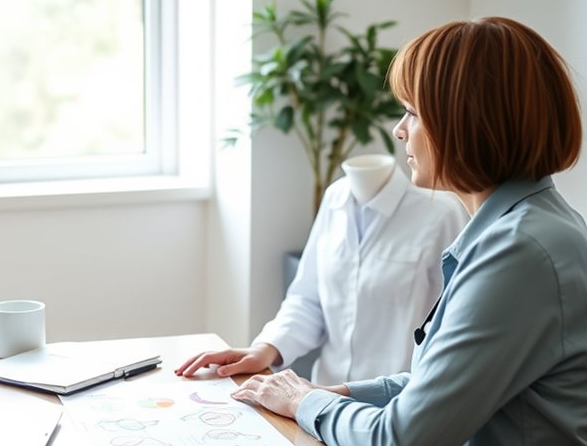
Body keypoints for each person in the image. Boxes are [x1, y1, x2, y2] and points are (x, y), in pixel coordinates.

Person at [228, 17, 587, 446]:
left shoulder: (520, 252)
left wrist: (306, 400)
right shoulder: (520, 227)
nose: (399, 130)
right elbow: (441, 385)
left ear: (465, 122)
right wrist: (341, 393)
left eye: (413, 113)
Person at [177, 153, 466, 385]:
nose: (399, 130)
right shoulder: (335, 198)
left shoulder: (441, 213)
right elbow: (308, 299)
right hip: (323, 397)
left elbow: (452, 325)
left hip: (395, 407)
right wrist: (265, 349)